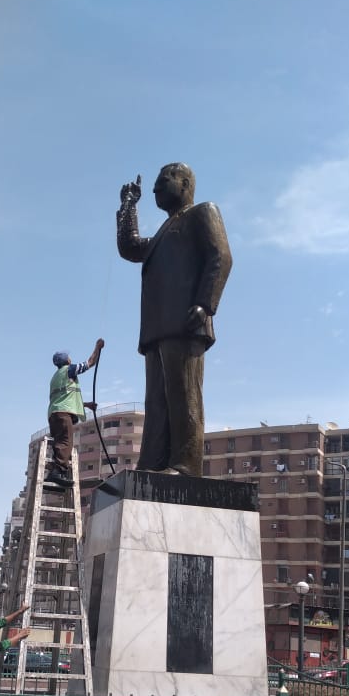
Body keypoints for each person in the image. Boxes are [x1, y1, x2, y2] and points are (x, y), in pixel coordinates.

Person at [117, 163, 232, 477]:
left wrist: (205, 304)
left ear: (185, 183)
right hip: (156, 328)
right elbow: (130, 247)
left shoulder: (202, 213)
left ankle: (185, 464)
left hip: (186, 321)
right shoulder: (162, 233)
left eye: (164, 179)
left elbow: (221, 256)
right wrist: (128, 206)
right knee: (156, 401)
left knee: (184, 395)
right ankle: (152, 461)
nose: (156, 187)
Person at [47, 340, 104, 486]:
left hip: (54, 414)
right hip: (63, 414)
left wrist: (86, 405)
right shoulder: (69, 370)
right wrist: (97, 348)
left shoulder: (55, 377)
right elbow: (90, 362)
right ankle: (57, 471)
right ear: (66, 360)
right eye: (68, 356)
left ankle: (56, 472)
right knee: (66, 442)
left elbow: (65, 398)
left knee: (59, 442)